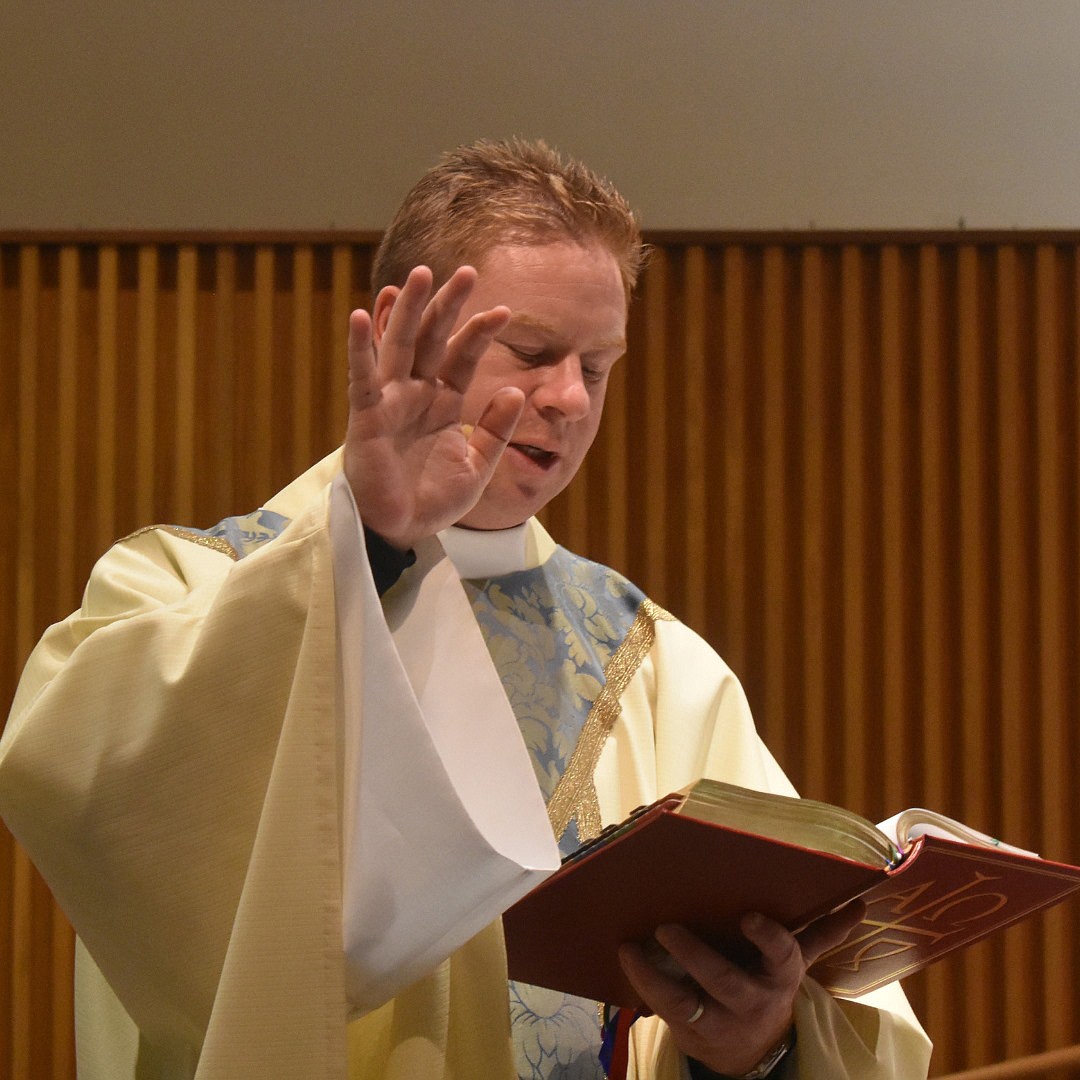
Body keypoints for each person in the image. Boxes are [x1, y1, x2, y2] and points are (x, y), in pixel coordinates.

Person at [0, 138, 932, 1080]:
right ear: (407, 328)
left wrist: (758, 1045)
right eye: (533, 351)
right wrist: (367, 538)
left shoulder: (651, 665)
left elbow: (838, 1014)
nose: (569, 398)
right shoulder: (187, 585)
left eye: (598, 366)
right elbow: (74, 776)